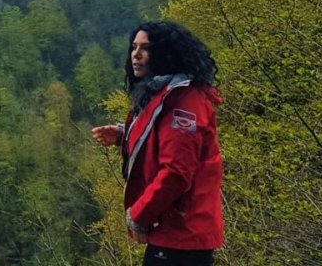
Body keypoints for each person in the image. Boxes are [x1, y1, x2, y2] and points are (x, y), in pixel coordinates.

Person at [91, 21, 223, 266]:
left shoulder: (183, 102)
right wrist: (124, 135)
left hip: (182, 234)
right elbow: (166, 141)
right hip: (176, 233)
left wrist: (139, 215)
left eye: (146, 48)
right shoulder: (167, 94)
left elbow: (176, 172)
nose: (136, 55)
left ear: (166, 54)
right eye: (134, 47)